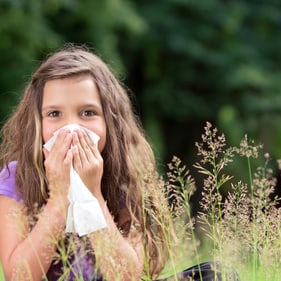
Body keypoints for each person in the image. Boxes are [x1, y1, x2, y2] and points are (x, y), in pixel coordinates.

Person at [0, 45, 240, 281]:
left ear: (110, 121)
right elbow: (19, 276)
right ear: (36, 123)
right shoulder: (17, 177)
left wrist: (92, 196)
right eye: (54, 114)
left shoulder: (126, 176)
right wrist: (59, 197)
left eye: (87, 113)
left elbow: (125, 276)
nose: (71, 128)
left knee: (216, 275)